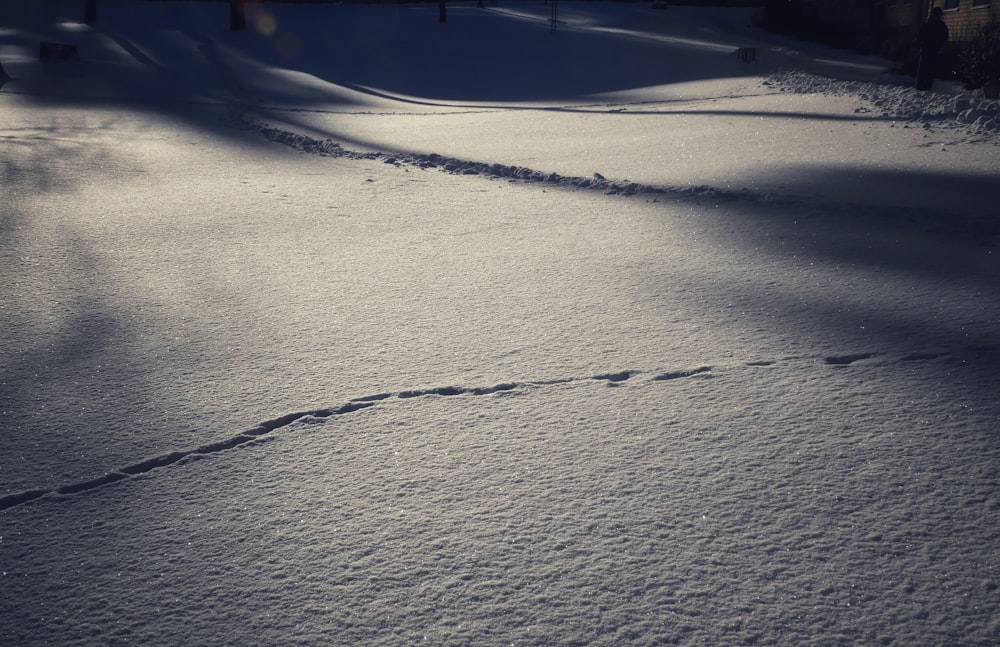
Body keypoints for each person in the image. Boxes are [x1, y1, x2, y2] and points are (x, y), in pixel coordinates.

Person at [915, 7, 949, 91]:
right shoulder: (931, 24)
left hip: (931, 49)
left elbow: (945, 38)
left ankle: (924, 87)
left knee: (927, 69)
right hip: (929, 49)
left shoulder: (935, 25)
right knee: (925, 69)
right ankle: (922, 86)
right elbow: (920, 36)